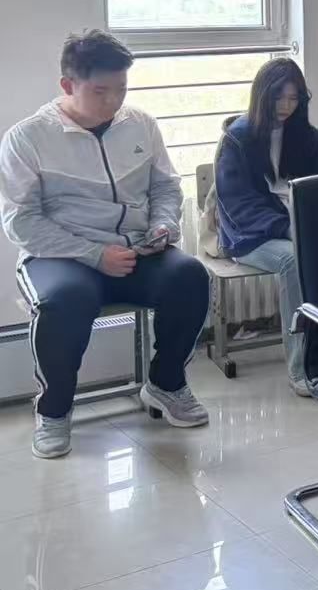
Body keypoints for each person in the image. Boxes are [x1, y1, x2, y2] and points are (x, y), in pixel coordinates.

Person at [0, 31, 211, 459]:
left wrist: (163, 224)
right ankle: (54, 410)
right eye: (100, 91)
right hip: (61, 254)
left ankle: (166, 384)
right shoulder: (28, 139)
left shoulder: (140, 123)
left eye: (122, 89)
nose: (113, 101)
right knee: (64, 300)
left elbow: (165, 187)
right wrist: (95, 254)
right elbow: (21, 221)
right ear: (68, 85)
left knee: (190, 276)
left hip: (135, 248)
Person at [214, 58, 318, 397]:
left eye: (294, 98)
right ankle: (300, 368)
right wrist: (288, 227)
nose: (286, 106)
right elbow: (238, 205)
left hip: (299, 226)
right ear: (262, 96)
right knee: (294, 260)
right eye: (279, 97)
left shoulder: (307, 136)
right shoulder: (237, 138)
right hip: (250, 235)